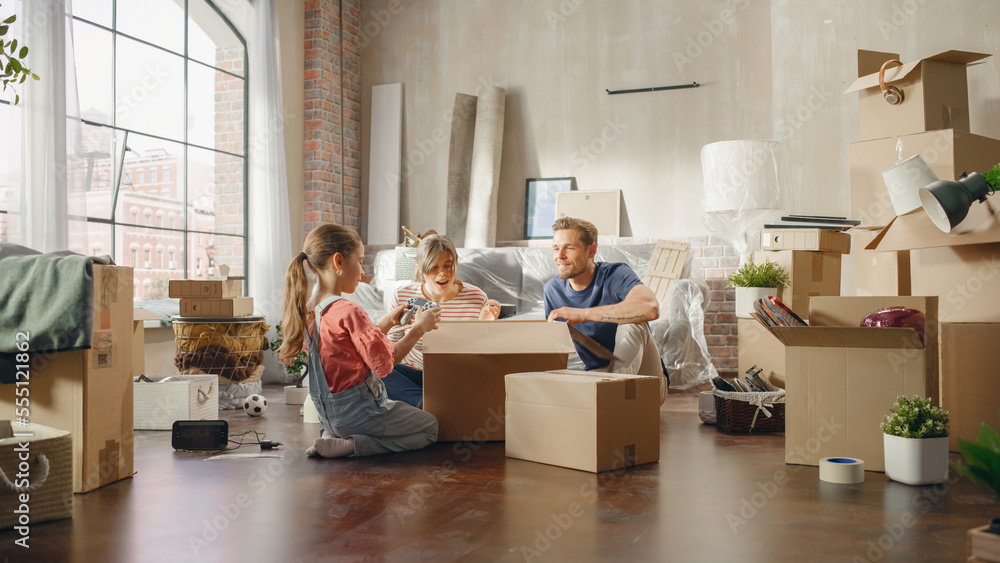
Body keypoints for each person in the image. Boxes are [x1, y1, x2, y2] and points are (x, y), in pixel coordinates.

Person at [278, 224, 442, 458]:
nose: (363, 271)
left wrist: (386, 322)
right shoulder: (349, 310)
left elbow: (348, 348)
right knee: (430, 428)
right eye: (360, 261)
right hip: (362, 415)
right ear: (338, 262)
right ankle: (353, 445)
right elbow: (385, 364)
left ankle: (331, 437)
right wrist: (418, 329)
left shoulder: (307, 312)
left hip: (330, 417)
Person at [544, 217, 667, 401]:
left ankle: (614, 397)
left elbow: (650, 308)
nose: (559, 255)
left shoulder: (615, 274)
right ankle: (609, 399)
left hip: (644, 378)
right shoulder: (552, 290)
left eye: (569, 248)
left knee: (632, 324)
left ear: (591, 250)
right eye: (556, 248)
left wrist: (584, 314)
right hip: (599, 374)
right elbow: (554, 350)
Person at [383, 234, 501, 407]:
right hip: (413, 375)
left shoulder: (477, 297)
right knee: (377, 370)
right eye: (434, 267)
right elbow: (389, 350)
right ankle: (430, 406)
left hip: (456, 376)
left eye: (448, 265)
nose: (443, 273)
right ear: (420, 269)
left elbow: (483, 359)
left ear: (456, 263)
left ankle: (430, 408)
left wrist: (485, 327)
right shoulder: (402, 295)